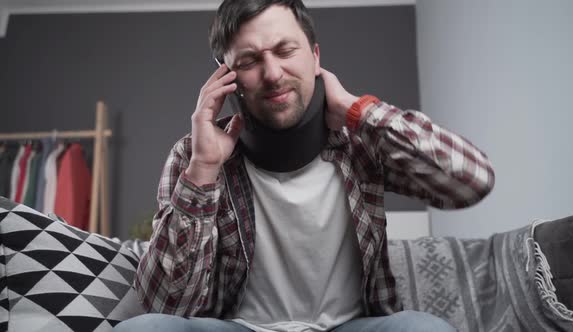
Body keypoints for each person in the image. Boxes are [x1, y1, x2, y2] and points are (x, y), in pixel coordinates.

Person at [115, 0, 494, 331]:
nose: (273, 73)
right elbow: (165, 306)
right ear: (226, 77)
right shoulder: (194, 155)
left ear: (314, 56)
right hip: (240, 327)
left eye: (285, 50)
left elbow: (472, 180)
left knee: (425, 328)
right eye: (249, 61)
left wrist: (359, 112)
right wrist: (204, 167)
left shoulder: (360, 140)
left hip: (349, 326)